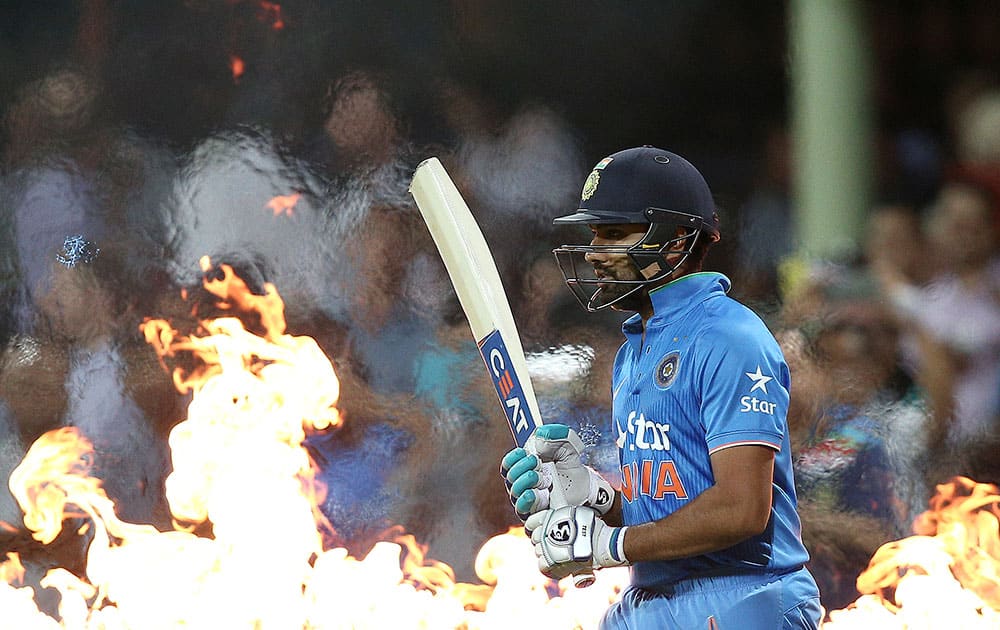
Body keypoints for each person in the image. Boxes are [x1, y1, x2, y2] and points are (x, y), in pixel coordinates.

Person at [500, 146, 822, 628]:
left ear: (673, 244)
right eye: (593, 234)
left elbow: (741, 509)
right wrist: (594, 496)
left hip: (745, 598)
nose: (592, 252)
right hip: (651, 599)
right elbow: (668, 499)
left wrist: (609, 546)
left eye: (611, 234)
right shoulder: (634, 349)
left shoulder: (730, 337)